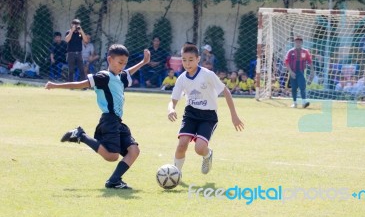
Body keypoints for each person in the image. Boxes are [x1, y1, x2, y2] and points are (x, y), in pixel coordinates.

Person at [45, 44, 151, 189]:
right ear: (109, 60)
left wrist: (143, 62)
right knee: (111, 156)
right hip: (109, 121)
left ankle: (114, 181)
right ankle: (80, 136)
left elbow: (128, 72)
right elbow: (81, 84)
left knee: (134, 150)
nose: (123, 66)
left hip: (118, 122)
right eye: (120, 62)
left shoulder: (120, 77)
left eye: (124, 63)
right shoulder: (103, 77)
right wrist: (56, 85)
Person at [167, 44, 244, 177]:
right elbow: (173, 100)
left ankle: (208, 155)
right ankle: (175, 174)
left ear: (198, 59)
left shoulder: (208, 75)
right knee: (182, 144)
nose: (187, 63)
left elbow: (225, 91)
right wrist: (171, 109)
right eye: (184, 60)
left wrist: (234, 116)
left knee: (199, 148)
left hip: (208, 116)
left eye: (191, 59)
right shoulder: (182, 79)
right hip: (190, 114)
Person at [284, 36, 314, 108]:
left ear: (302, 43)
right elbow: (286, 62)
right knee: (294, 88)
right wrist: (290, 72)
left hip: (301, 72)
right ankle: (295, 103)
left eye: (299, 42)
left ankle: (304, 102)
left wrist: (312, 72)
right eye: (297, 42)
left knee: (302, 86)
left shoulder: (305, 52)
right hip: (293, 72)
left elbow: (310, 62)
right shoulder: (290, 52)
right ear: (294, 42)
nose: (298, 43)